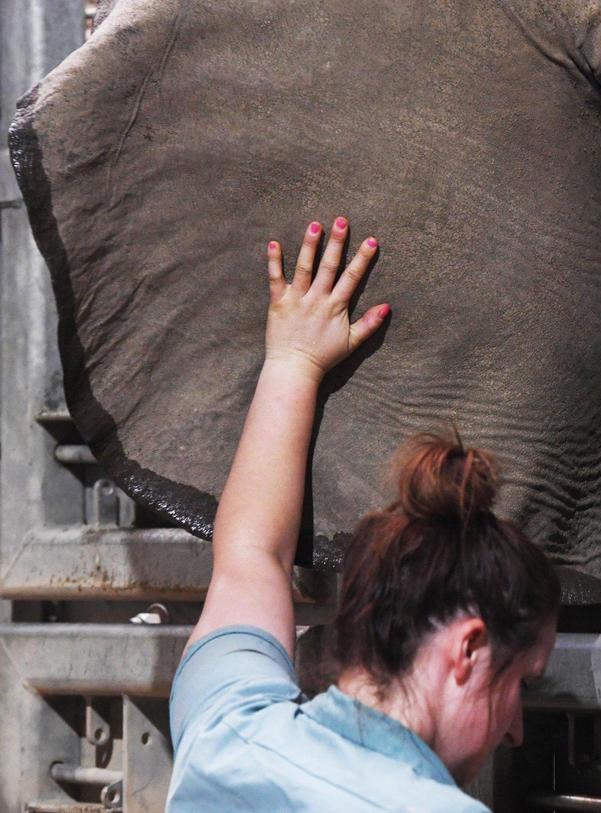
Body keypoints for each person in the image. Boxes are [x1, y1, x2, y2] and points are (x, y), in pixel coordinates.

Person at [165, 216, 561, 811]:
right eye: (520, 685)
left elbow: (251, 557)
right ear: (469, 649)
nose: (516, 730)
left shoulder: (224, 733)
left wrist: (293, 362)